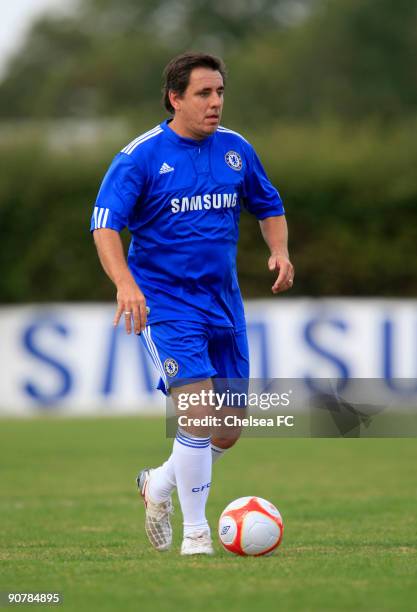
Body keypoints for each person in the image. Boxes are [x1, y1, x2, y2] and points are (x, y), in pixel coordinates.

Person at [91, 51, 294, 555]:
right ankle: (197, 534)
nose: (215, 103)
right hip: (165, 303)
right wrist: (124, 282)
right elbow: (104, 224)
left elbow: (268, 204)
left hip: (224, 303)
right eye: (204, 93)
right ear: (174, 98)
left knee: (226, 431)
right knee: (198, 415)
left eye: (220, 92)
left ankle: (157, 483)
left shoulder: (235, 150)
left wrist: (279, 251)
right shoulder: (140, 157)